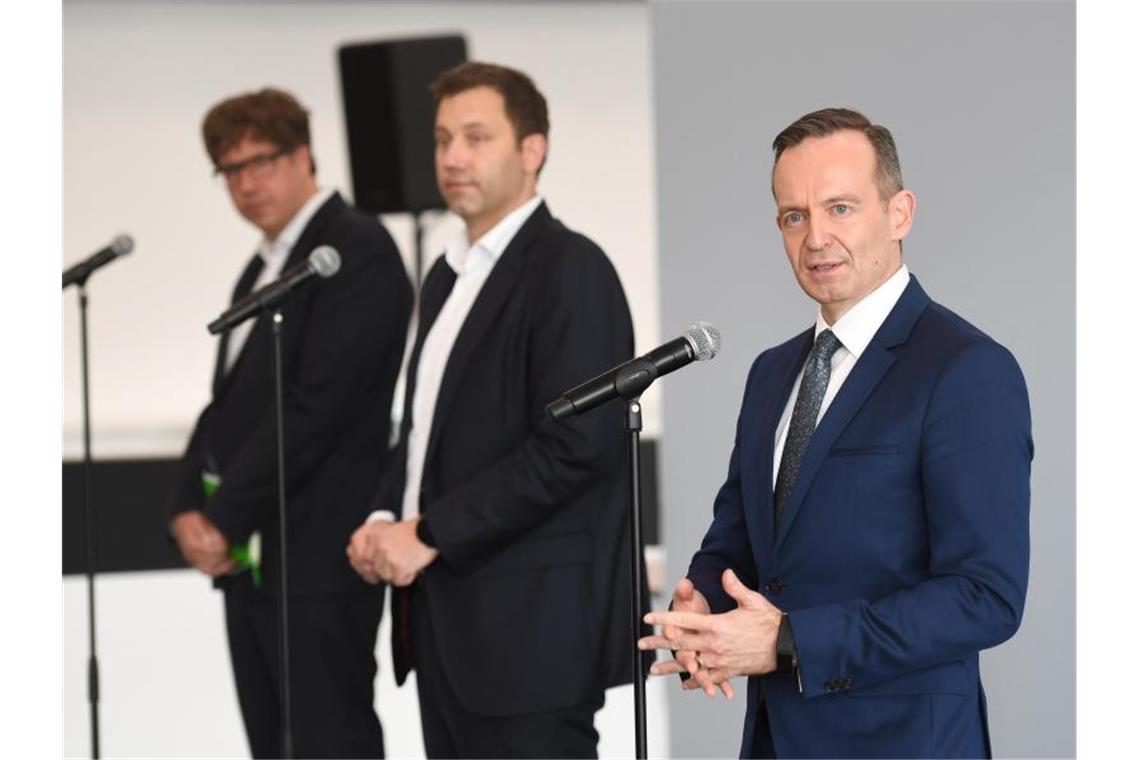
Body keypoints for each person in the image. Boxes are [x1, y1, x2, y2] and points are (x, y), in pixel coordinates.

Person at [639, 108, 1032, 758]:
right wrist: (704, 607)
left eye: (841, 208)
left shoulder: (965, 369)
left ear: (899, 213)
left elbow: (984, 596)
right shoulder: (771, 373)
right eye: (795, 216)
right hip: (774, 738)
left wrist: (789, 640)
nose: (815, 236)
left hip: (903, 743)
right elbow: (737, 537)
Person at [346, 61, 639, 759]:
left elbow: (576, 447)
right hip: (448, 629)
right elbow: (423, 434)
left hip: (530, 641)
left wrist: (431, 531)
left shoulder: (571, 268)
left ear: (531, 151)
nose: (451, 157)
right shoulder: (445, 275)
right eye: (443, 139)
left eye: (476, 137)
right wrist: (388, 517)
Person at [168, 87, 412, 759]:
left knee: (327, 739)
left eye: (261, 162)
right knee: (272, 744)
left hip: (319, 552)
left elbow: (319, 407)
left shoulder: (355, 249)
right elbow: (231, 402)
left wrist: (226, 516)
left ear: (304, 155)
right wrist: (189, 502)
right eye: (231, 170)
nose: (246, 184)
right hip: (258, 555)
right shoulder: (265, 263)